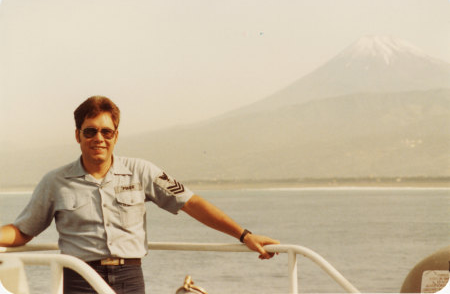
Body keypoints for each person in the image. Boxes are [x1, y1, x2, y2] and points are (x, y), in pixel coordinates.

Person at [0, 96, 279, 294]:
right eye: (90, 131)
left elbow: (192, 203)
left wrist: (244, 235)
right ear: (78, 135)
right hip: (78, 280)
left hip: (129, 280)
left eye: (106, 131)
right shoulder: (55, 181)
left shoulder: (143, 172)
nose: (99, 138)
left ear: (116, 136)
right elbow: (23, 231)